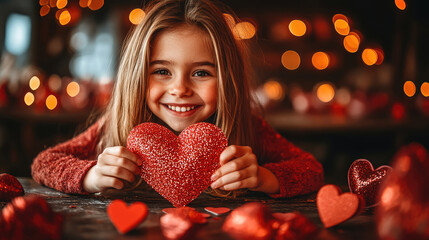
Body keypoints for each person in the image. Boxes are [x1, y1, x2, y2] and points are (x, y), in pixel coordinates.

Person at [31, 0, 324, 198]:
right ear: (138, 76)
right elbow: (44, 163)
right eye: (161, 71)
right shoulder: (113, 127)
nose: (180, 88)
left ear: (228, 80)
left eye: (200, 73)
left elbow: (312, 169)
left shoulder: (249, 128)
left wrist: (263, 177)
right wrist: (90, 176)